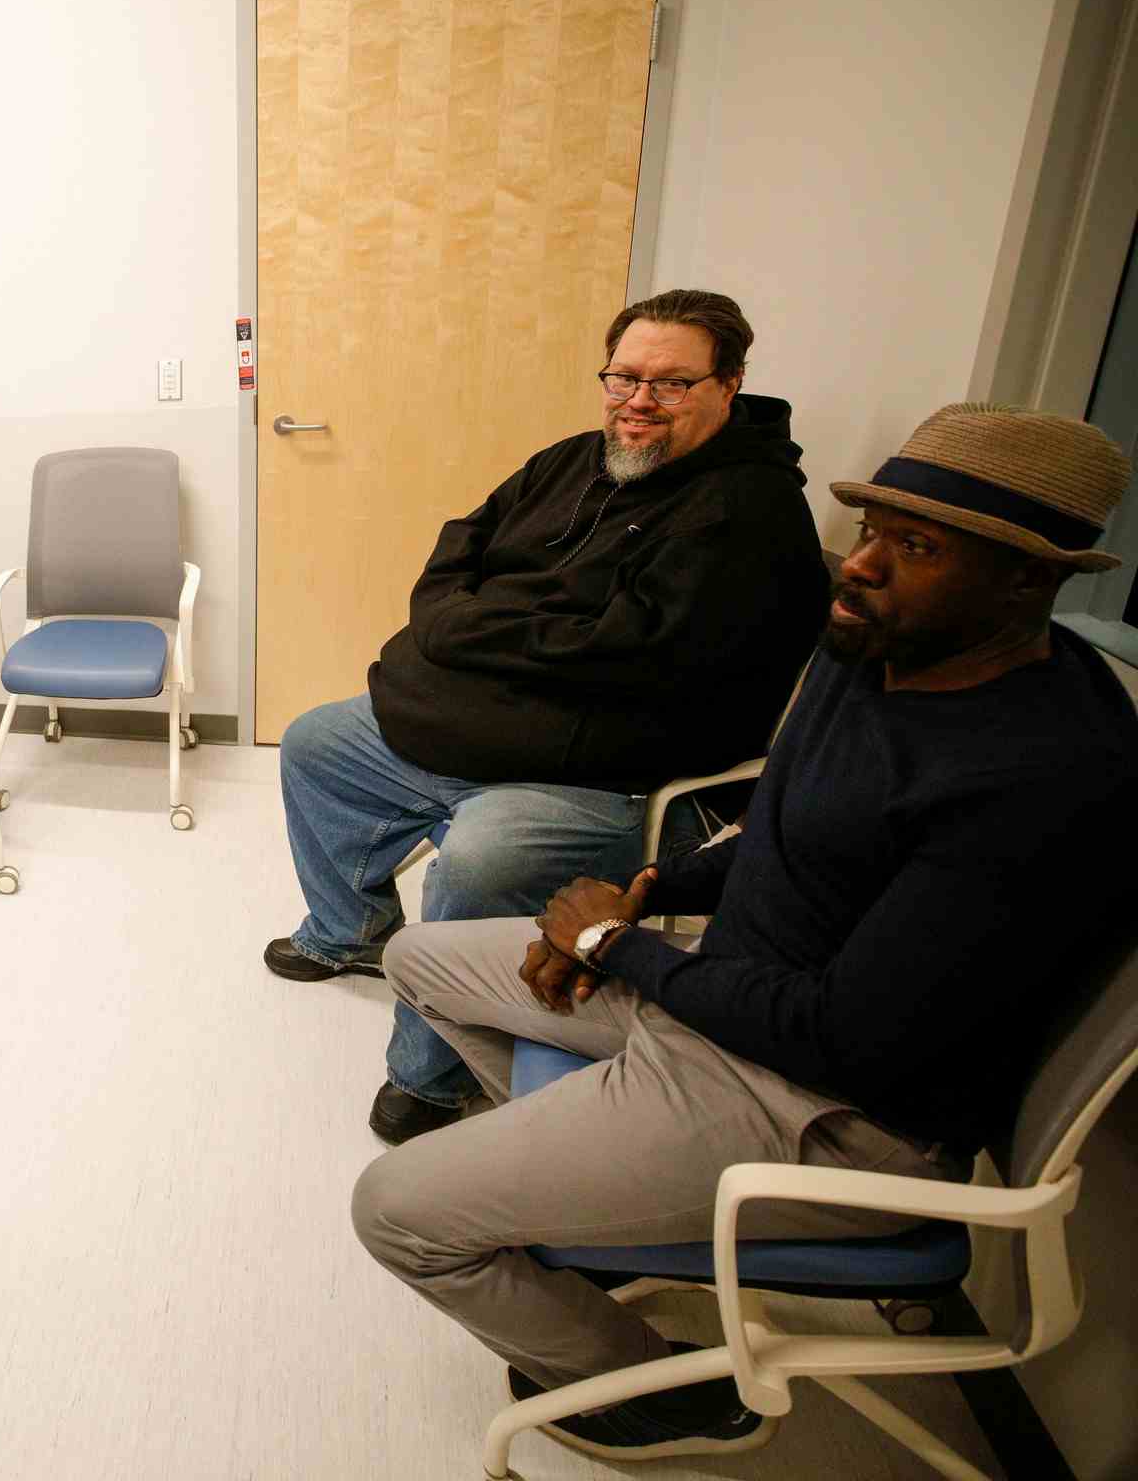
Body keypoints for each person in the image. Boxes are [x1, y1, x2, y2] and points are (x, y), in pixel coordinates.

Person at [351, 405, 1137, 1461]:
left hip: (818, 1104)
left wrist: (612, 951)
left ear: (1025, 582)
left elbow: (846, 1038)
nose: (858, 567)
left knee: (395, 1206)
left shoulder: (1038, 778)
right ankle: (590, 1222)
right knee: (420, 955)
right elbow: (792, 819)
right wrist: (648, 883)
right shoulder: (881, 645)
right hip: (725, 997)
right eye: (869, 528)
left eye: (914, 547)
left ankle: (652, 1394)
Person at [265, 290, 831, 1144]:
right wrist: (481, 630)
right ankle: (351, 932)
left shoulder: (750, 516)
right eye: (624, 378)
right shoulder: (571, 460)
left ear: (730, 386)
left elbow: (627, 654)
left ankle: (433, 1074)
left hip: (605, 770)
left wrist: (472, 631)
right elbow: (456, 557)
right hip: (484, 718)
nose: (639, 402)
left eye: (672, 385)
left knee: (480, 861)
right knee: (317, 743)